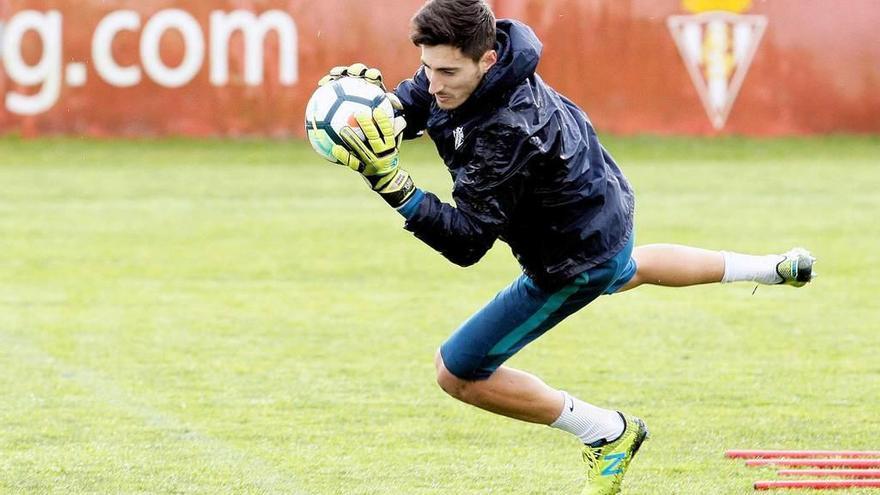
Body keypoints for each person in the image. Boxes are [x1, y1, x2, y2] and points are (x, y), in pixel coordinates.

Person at [316, 0, 815, 493]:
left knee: (458, 370)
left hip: (572, 257)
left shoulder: (505, 129)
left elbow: (467, 242)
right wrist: (385, 108)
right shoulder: (494, 60)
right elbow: (424, 101)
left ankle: (607, 432)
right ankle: (772, 267)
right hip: (603, 209)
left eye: (446, 72)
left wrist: (391, 184)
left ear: (486, 60)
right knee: (629, 266)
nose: (432, 83)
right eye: (426, 68)